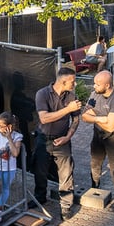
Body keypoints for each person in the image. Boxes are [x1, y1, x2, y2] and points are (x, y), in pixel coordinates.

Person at [33, 67, 82, 213]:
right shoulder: (42, 94)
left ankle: (66, 206)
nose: (75, 84)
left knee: (66, 173)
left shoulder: (71, 96)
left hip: (63, 140)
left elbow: (76, 118)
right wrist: (67, 109)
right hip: (44, 140)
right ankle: (40, 197)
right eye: (73, 81)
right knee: (40, 171)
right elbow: (44, 118)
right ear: (63, 81)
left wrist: (68, 136)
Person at [82, 70, 114, 211]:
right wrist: (102, 119)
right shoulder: (95, 94)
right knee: (95, 162)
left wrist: (94, 118)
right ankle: (95, 187)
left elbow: (112, 127)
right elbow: (85, 116)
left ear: (107, 85)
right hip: (98, 136)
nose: (94, 86)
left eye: (97, 84)